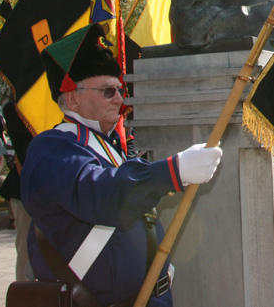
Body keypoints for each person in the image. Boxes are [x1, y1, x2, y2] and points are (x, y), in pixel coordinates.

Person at [21, 23, 223, 307]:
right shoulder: (51, 149)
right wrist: (173, 172)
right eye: (107, 90)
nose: (120, 98)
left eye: (120, 88)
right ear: (73, 97)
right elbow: (102, 194)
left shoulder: (106, 145)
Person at [0, 101, 34, 280]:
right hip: (26, 190)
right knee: (27, 251)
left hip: (58, 188)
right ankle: (24, 296)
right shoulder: (14, 108)